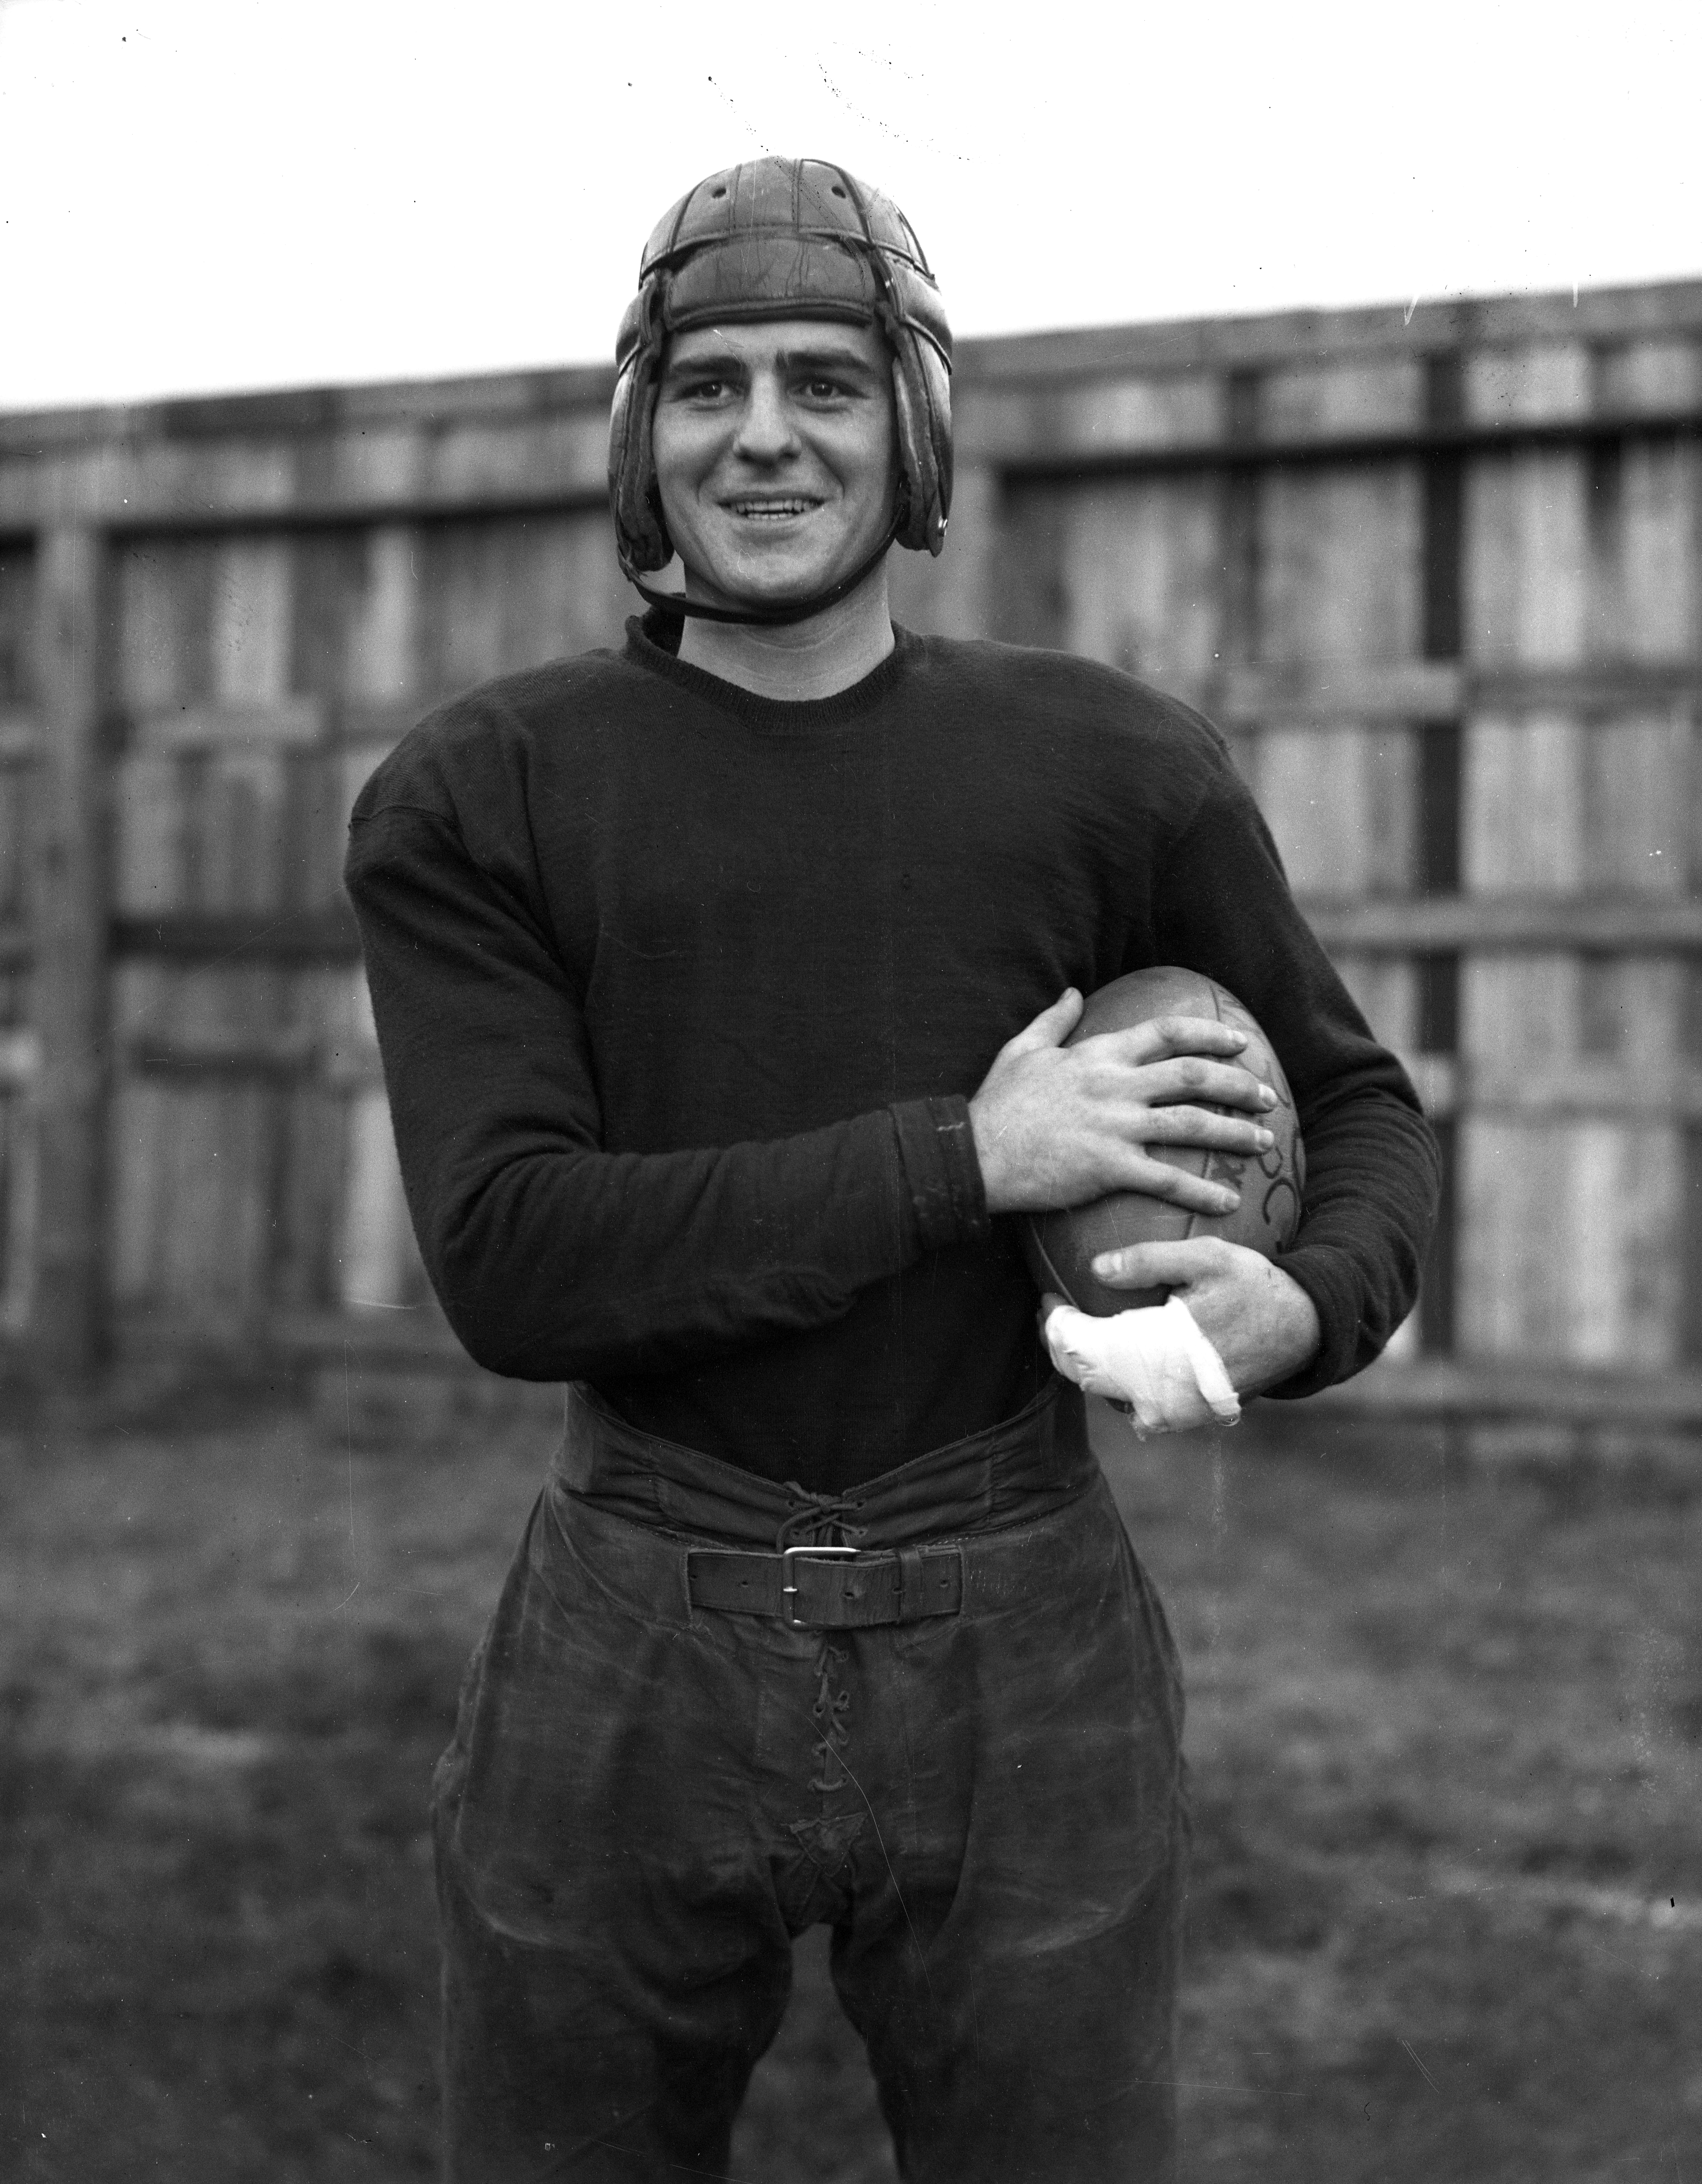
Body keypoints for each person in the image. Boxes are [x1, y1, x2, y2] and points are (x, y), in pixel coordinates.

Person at [345, 157, 1438, 2184]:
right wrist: (972, 1152)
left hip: (1022, 1612)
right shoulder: (487, 785)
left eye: (829, 383)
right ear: (637, 437)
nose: (765, 433)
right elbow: (514, 1260)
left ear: (916, 427)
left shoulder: (1117, 765)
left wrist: (1297, 1310)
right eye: (711, 384)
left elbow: (1365, 1117)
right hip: (633, 1615)